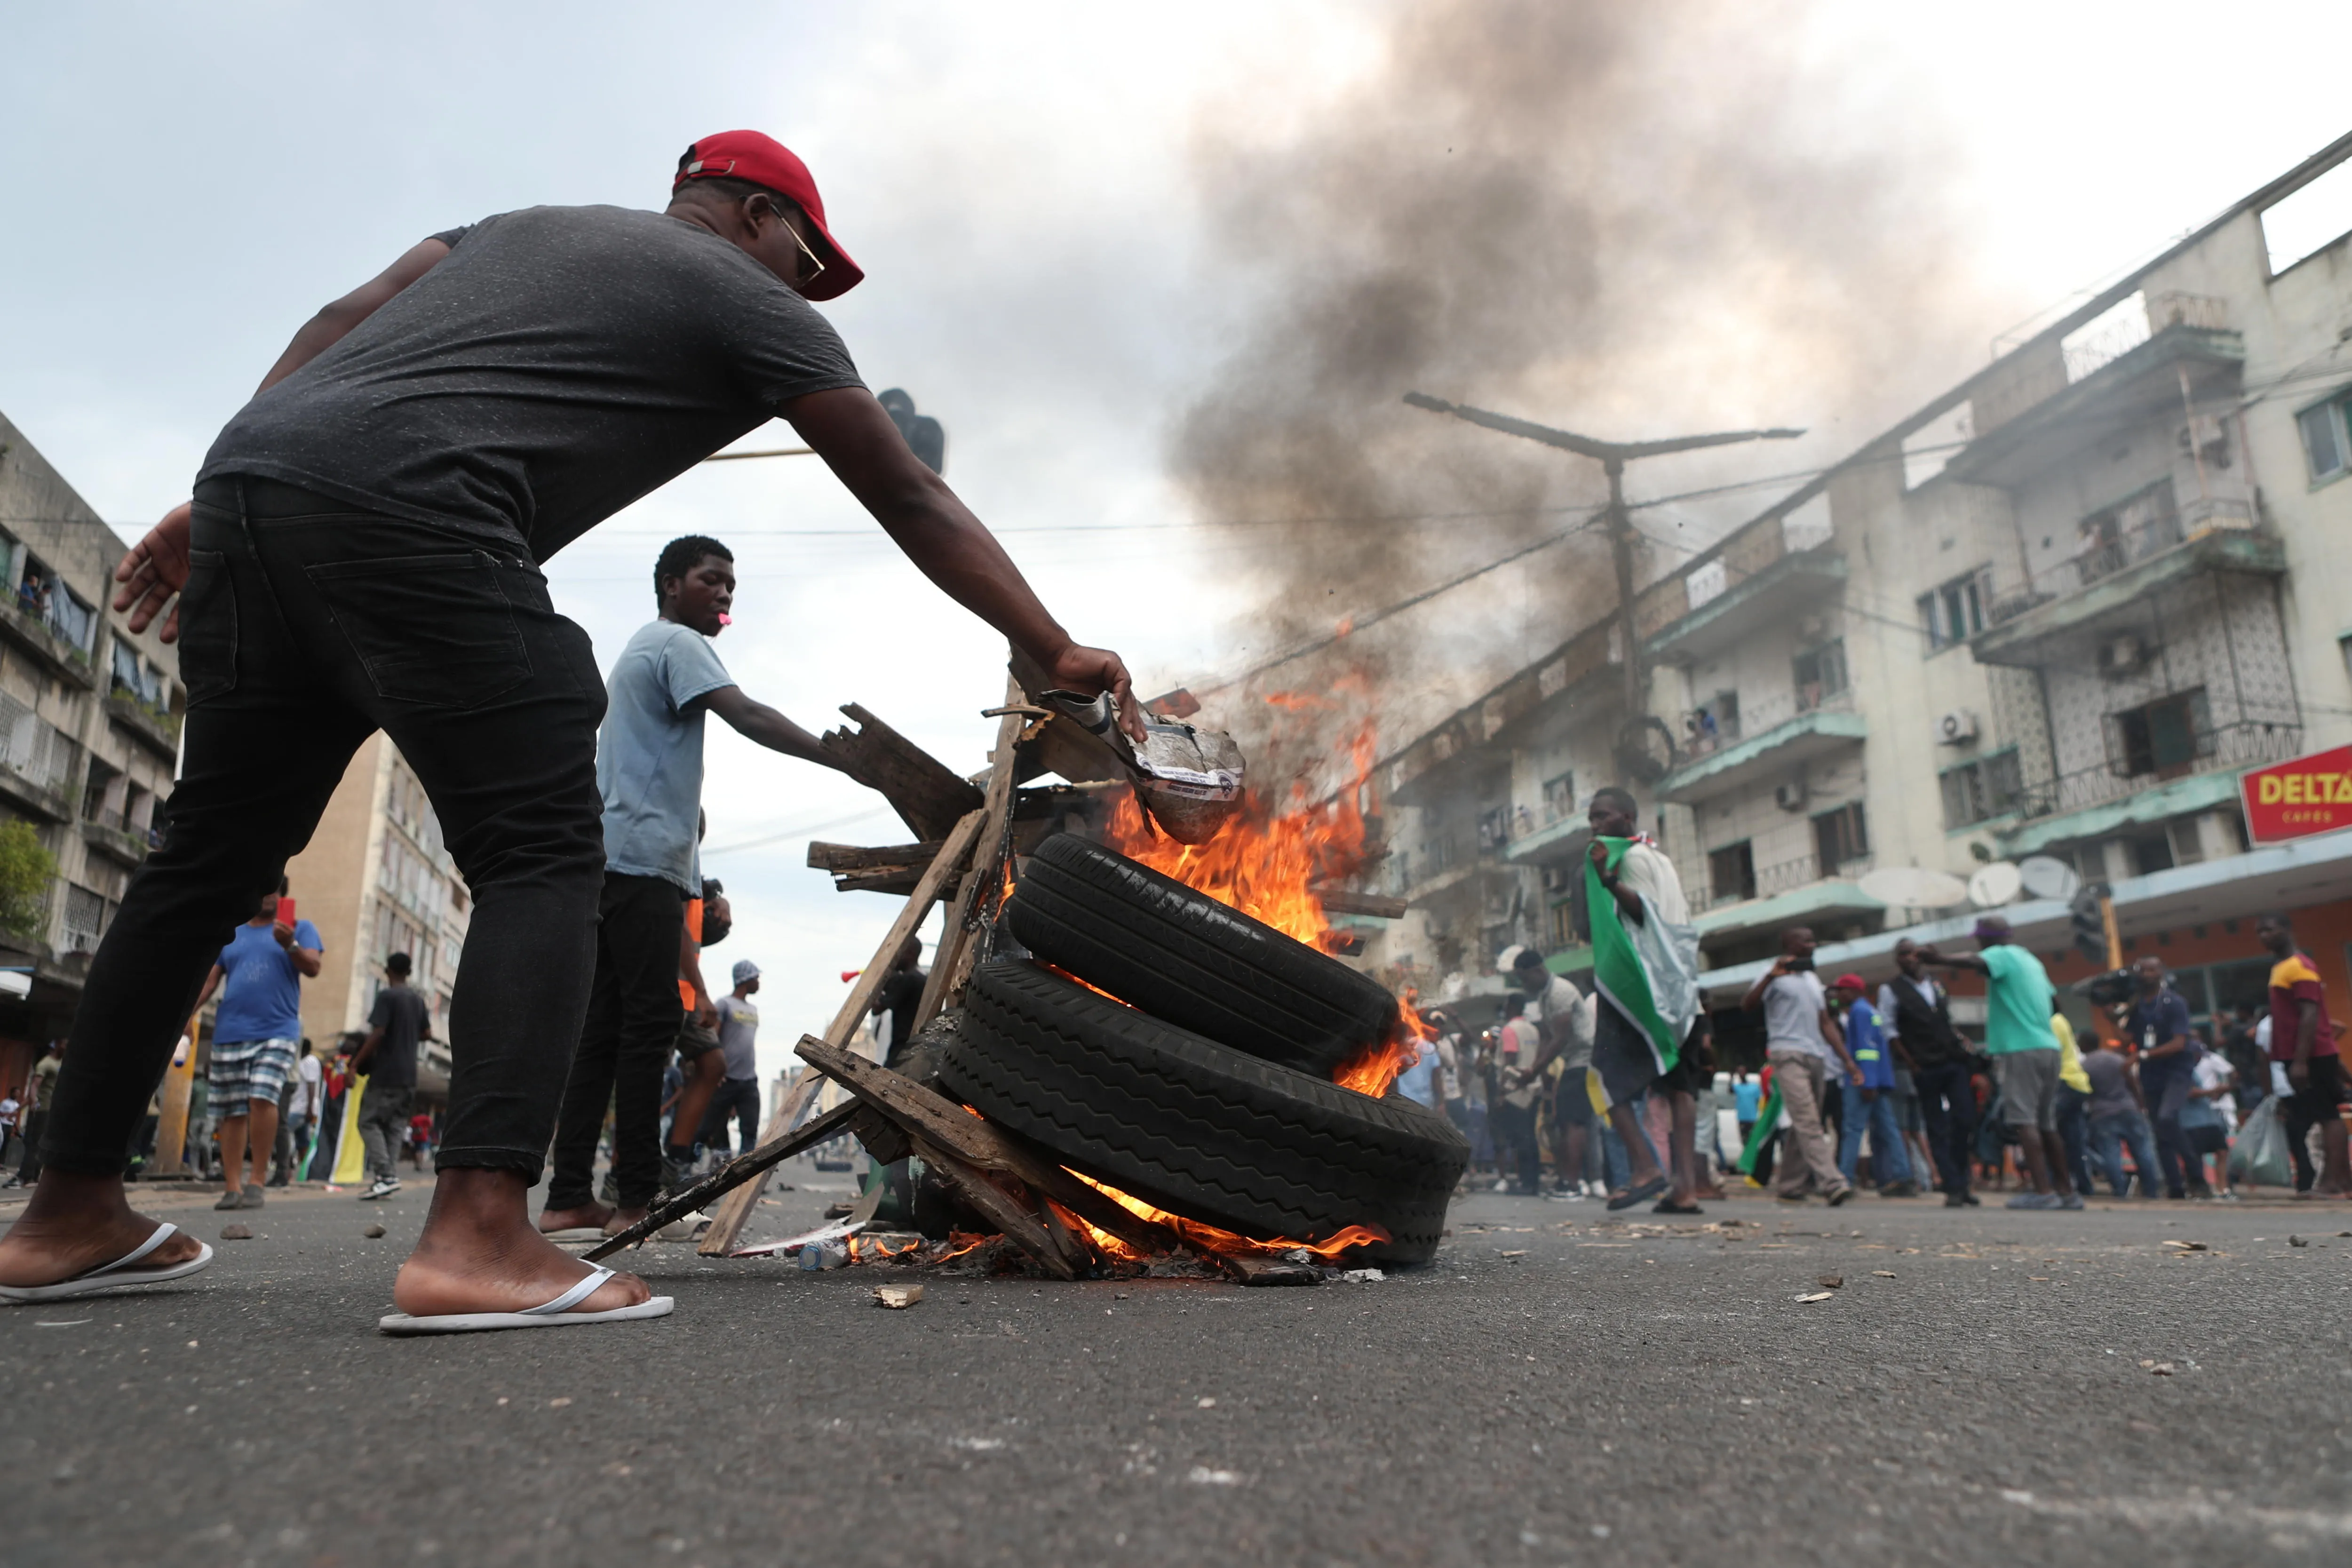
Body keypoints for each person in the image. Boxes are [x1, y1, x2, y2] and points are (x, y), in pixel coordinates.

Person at [0, 132, 1139, 1323]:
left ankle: (68, 1215)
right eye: (807, 258)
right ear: (756, 216)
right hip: (423, 516)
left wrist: (227, 482)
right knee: (542, 846)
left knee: (204, 862)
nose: (807, 287)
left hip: (252, 493)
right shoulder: (749, 296)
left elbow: (341, 316)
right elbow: (911, 491)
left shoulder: (501, 230)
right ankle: (481, 1236)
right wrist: (1050, 647)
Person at [1578, 788, 1709, 1213]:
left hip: (1644, 990)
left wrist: (1607, 879)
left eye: (1603, 816)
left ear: (1628, 816)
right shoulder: (1660, 857)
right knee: (1679, 1089)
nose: (1595, 825)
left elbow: (1642, 915)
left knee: (1599, 1077)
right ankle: (1685, 1188)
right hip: (1681, 989)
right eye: (1592, 819)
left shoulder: (1631, 859)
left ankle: (1644, 1168)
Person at [1917, 917, 2075, 1210]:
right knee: (2047, 1124)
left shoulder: (2000, 954)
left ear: (1985, 939)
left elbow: (1975, 962)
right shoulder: (2031, 961)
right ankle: (2067, 1192)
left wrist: (1939, 959)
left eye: (1979, 939)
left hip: (2021, 1047)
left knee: (2024, 1120)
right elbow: (2055, 1006)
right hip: (2048, 1047)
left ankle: (2043, 1192)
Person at [190, 886, 324, 1211]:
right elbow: (210, 980)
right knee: (230, 1110)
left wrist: (289, 944)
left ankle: (257, 1180)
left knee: (263, 1096)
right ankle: (233, 1186)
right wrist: (188, 1013)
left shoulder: (300, 927)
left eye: (273, 889)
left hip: (277, 1031)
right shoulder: (232, 933)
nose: (266, 894)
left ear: (283, 895)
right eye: (261, 887)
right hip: (230, 1031)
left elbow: (313, 967)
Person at [1743, 926, 1861, 1205]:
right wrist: (1772, 976)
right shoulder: (1771, 974)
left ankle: (1790, 1185)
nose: (1812, 944)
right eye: (1806, 940)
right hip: (1787, 1054)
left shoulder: (1811, 979)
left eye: (1813, 939)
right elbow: (1747, 1005)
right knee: (1808, 1119)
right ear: (1789, 943)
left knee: (1805, 1122)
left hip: (1815, 1056)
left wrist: (1848, 1061)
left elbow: (1825, 1023)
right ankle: (1832, 1183)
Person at [2255, 913, 2352, 1198]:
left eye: (2269, 929)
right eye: (2260, 932)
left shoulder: (2301, 966)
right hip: (2297, 1055)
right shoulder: (2281, 967)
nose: (2264, 937)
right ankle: (2344, 1182)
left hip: (2309, 1055)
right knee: (2323, 1115)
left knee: (2328, 1117)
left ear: (2286, 929)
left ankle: (2330, 1184)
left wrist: (2300, 1061)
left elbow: (2310, 1015)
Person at [1880, 939, 1979, 1206]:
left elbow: (1945, 1020)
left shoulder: (1936, 984)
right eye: (1903, 954)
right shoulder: (1891, 990)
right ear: (1897, 959)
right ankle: (1954, 1187)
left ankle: (1961, 1178)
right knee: (1936, 1127)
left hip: (1953, 1061)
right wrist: (1912, 1063)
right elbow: (1890, 1031)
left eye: (1914, 952)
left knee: (1964, 1119)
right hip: (1925, 1066)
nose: (1910, 958)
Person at [1502, 947, 1596, 1198]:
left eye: (1525, 978)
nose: (1524, 984)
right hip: (1572, 1061)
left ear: (1538, 970)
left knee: (1573, 1122)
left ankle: (1574, 1185)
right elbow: (1548, 1036)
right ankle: (1568, 1181)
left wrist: (1534, 1071)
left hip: (1583, 1060)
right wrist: (1535, 1069)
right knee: (1563, 1122)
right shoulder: (1545, 995)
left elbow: (1561, 1038)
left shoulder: (1561, 992)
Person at [2122, 956, 2208, 1200]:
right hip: (2151, 1075)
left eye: (2152, 970)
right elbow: (2127, 1038)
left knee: (2167, 1118)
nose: (2146, 974)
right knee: (2160, 1133)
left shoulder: (2175, 1003)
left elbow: (2179, 1043)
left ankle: (2196, 1176)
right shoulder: (2137, 1006)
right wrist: (2110, 1014)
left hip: (2176, 1072)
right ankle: (2175, 1187)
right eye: (2142, 970)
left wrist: (2142, 1054)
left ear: (2161, 973)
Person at [351, 953, 431, 1200]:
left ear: (388, 972)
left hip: (386, 1072)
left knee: (368, 1121)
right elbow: (427, 1033)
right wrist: (407, 1035)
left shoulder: (387, 996)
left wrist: (355, 1064)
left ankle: (385, 1176)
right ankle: (388, 1177)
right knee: (395, 1126)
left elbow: (377, 1033)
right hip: (409, 1074)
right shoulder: (418, 1000)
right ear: (409, 972)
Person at [1829, 975, 1915, 1196]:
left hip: (1862, 1082)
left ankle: (1844, 1179)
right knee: (1889, 1129)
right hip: (1876, 1081)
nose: (1839, 995)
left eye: (1842, 990)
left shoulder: (1859, 1012)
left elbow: (1867, 1050)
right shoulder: (1869, 1011)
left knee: (1853, 1129)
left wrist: (1865, 1081)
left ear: (1854, 991)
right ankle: (1903, 1176)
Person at [2082, 1029, 2160, 1197]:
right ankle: (2152, 1190)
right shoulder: (2116, 1059)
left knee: (2111, 1154)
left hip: (2102, 1113)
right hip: (2129, 1108)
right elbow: (2132, 1081)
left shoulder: (2084, 1066)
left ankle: (2120, 1190)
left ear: (2085, 1045)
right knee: (2143, 1151)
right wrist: (2140, 1104)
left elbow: (2085, 1092)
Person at [699, 959, 765, 1160]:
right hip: (726, 1078)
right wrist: (714, 1071)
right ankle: (686, 1162)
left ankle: (746, 1166)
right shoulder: (725, 1004)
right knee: (707, 1126)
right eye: (756, 978)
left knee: (750, 1127)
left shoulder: (753, 1009)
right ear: (745, 979)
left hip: (748, 1080)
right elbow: (713, 1037)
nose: (759, 982)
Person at [2183, 1043, 2237, 1199]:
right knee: (2195, 1157)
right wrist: (2214, 1091)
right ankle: (2198, 1189)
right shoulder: (2182, 1071)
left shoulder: (2197, 1069)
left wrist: (2217, 1092)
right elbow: (2190, 1093)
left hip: (2208, 1118)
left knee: (2222, 1152)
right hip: (2191, 1121)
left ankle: (2222, 1189)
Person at [2052, 1011, 2096, 1199]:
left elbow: (2050, 1054)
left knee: (2049, 1134)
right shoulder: (2062, 1020)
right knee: (2074, 1141)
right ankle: (2084, 1187)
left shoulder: (2052, 1022)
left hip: (2063, 1081)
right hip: (2076, 1084)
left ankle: (2054, 1185)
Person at [871, 938, 929, 1067]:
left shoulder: (907, 980)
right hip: (919, 1044)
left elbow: (877, 1009)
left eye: (899, 953)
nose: (895, 958)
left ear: (911, 953)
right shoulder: (923, 979)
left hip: (902, 1046)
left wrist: (874, 987)